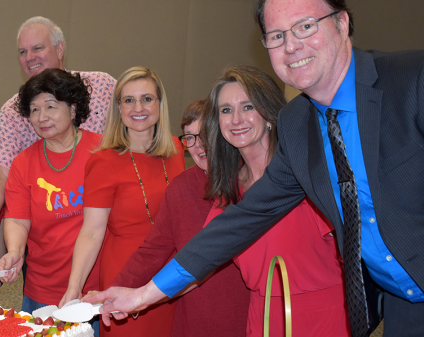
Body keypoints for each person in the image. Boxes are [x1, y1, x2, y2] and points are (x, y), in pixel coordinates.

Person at [87, 1, 424, 336]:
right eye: (276, 35)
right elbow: (242, 220)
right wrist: (142, 295)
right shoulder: (297, 125)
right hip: (401, 308)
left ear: (342, 22)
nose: (291, 45)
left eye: (305, 25)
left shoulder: (412, 79)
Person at [204, 65, 348, 335]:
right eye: (225, 110)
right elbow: (198, 260)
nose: (236, 119)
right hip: (263, 316)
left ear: (269, 114)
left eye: (248, 107)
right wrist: (139, 295)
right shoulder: (228, 190)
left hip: (325, 315)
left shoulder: (306, 171)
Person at [0, 16, 116, 261]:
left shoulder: (103, 87)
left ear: (60, 49)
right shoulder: (13, 110)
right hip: (45, 241)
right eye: (22, 51)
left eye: (38, 48)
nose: (30, 57)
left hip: (104, 237)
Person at [108, 99, 250, 337]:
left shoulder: (251, 182)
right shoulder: (180, 187)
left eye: (205, 133)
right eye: (189, 138)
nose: (198, 145)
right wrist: (115, 290)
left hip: (243, 315)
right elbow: (153, 250)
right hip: (194, 317)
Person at [61, 66, 185, 336]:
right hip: (126, 275)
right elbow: (92, 232)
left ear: (159, 104)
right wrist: (74, 287)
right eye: (128, 100)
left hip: (172, 276)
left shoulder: (177, 150)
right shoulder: (103, 161)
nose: (138, 107)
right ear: (119, 108)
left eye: (147, 98)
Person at [0, 69, 102, 334]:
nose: (41, 117)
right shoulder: (23, 163)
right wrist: (15, 251)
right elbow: (17, 219)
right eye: (34, 110)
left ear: (73, 108)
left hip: (96, 289)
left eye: (51, 107)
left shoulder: (102, 152)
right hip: (41, 288)